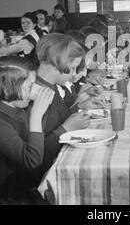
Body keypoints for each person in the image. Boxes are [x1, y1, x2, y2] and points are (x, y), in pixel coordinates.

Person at [0, 56, 55, 200]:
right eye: (29, 86)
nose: (33, 91)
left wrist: (37, 103)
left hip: (25, 180)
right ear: (7, 90)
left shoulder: (15, 106)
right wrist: (36, 116)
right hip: (11, 192)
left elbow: (35, 142)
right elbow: (32, 161)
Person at [33, 33, 93, 171]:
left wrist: (76, 109)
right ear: (60, 61)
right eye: (72, 68)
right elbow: (38, 154)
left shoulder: (52, 87)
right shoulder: (37, 94)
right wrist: (65, 129)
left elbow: (57, 118)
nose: (73, 74)